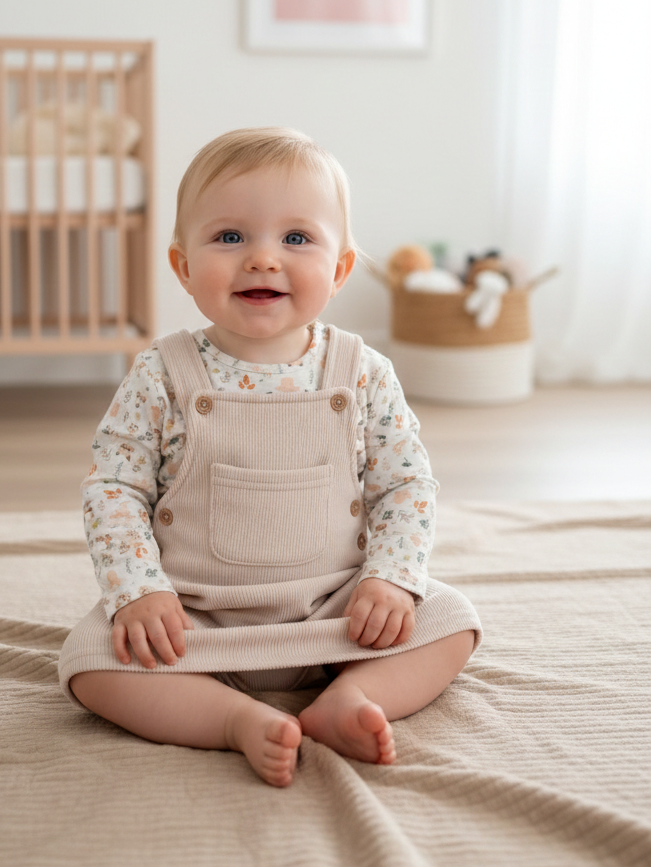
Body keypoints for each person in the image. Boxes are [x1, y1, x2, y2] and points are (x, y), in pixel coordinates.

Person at [59, 127, 482, 788]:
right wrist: (139, 590)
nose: (262, 258)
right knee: (89, 661)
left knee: (452, 621)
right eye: (230, 237)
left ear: (339, 269)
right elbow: (114, 487)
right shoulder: (161, 374)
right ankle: (231, 718)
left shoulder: (363, 372)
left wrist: (391, 578)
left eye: (296, 238)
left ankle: (349, 696)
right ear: (183, 267)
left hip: (337, 613)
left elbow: (405, 486)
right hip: (194, 619)